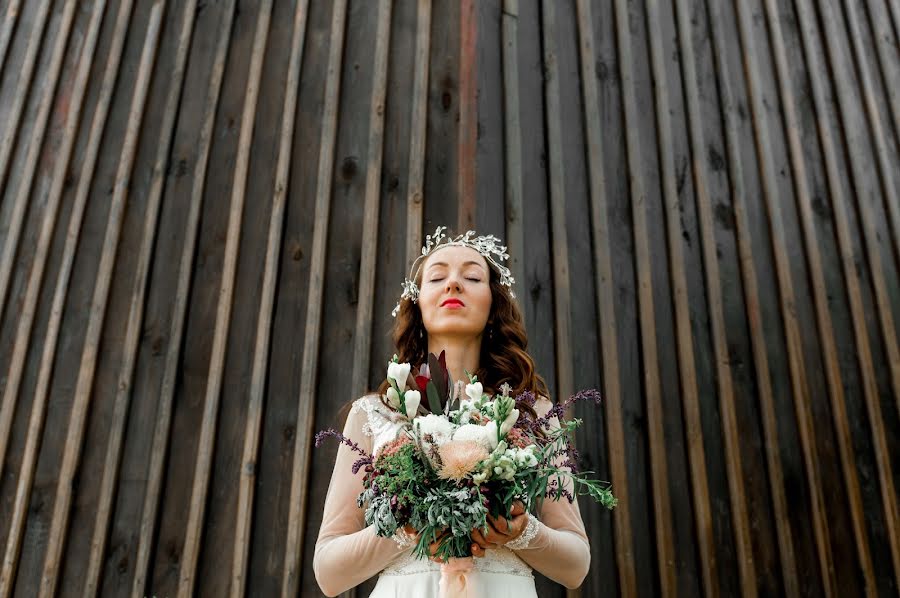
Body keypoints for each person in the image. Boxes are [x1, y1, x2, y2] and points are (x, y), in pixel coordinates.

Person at [313, 227, 590, 597]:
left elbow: (576, 566)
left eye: (472, 276)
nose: (454, 284)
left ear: (493, 304)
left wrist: (522, 532)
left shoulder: (532, 412)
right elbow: (328, 573)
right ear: (418, 302)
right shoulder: (373, 414)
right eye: (438, 276)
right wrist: (404, 528)